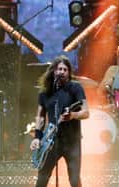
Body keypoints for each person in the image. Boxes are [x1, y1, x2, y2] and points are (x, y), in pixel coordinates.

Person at [30, 55, 89, 187]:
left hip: (72, 141)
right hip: (52, 141)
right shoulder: (45, 93)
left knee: (74, 179)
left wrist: (72, 115)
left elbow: (86, 112)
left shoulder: (75, 88)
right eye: (58, 69)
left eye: (64, 69)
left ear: (69, 73)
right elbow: (40, 116)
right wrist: (37, 137)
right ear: (53, 71)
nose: (61, 72)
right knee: (42, 177)